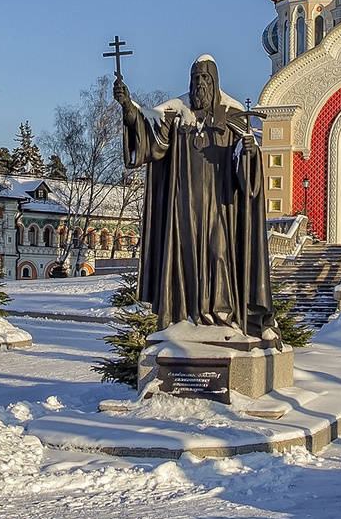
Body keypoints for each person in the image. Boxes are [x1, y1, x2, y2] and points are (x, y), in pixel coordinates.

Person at [115, 55, 277, 341]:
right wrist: (128, 106)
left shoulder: (232, 115)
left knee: (219, 255)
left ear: (215, 83)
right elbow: (151, 137)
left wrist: (249, 152)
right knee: (184, 263)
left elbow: (246, 167)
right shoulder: (176, 113)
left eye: (205, 79)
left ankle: (223, 316)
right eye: (195, 79)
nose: (199, 84)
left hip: (220, 208)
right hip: (183, 209)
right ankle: (187, 318)